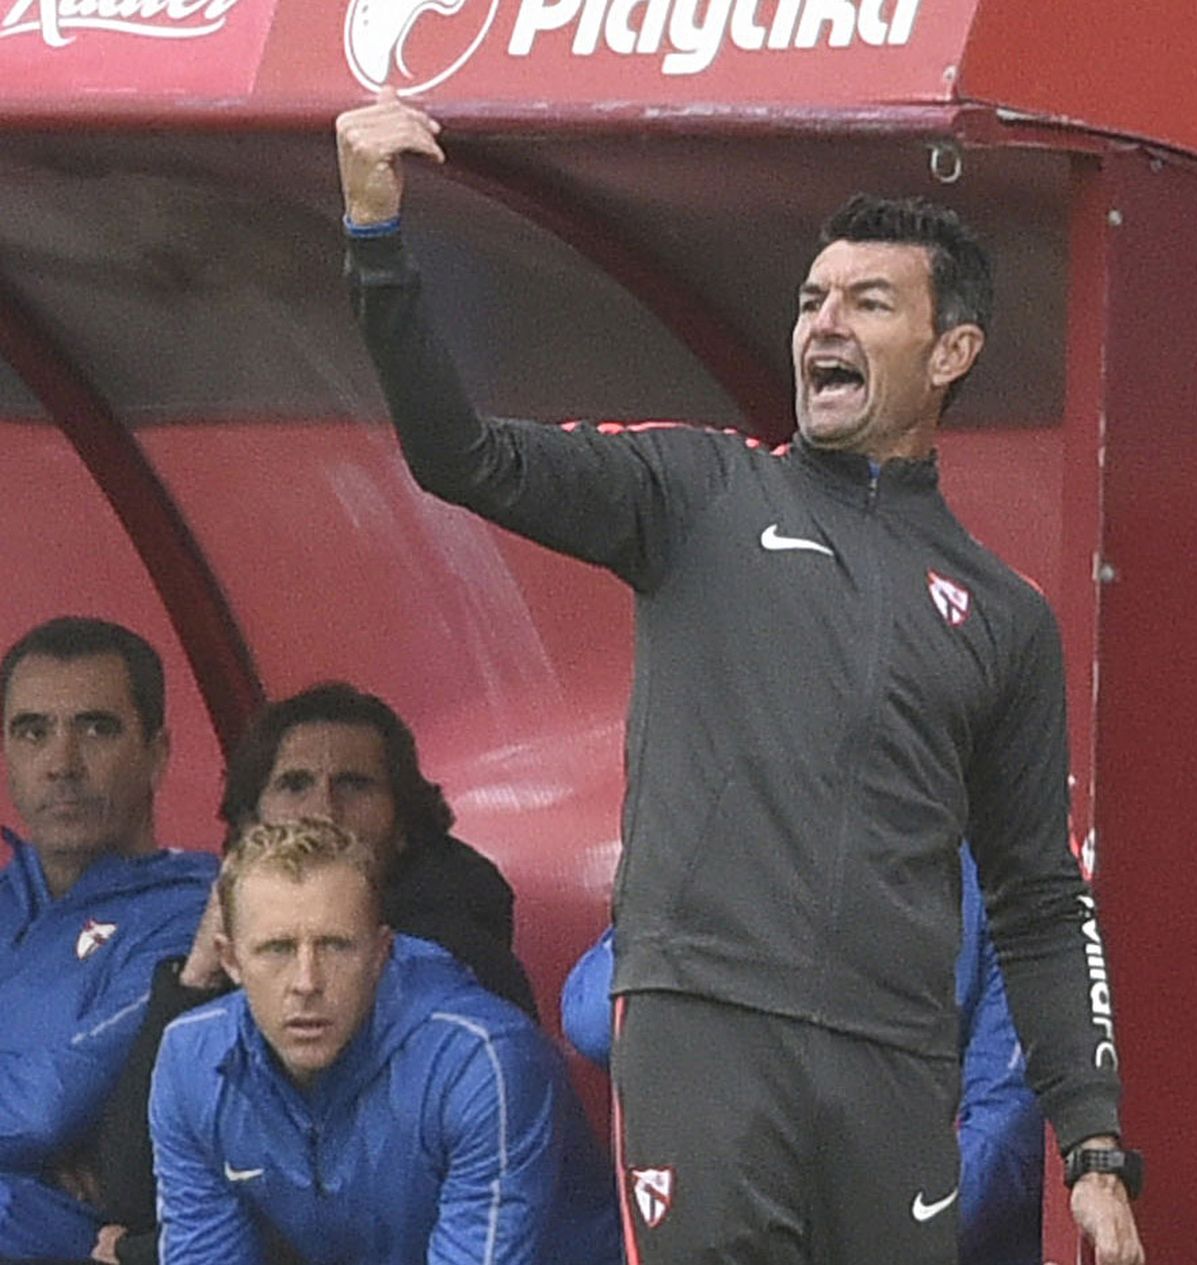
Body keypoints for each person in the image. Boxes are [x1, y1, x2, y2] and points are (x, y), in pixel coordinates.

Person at [338, 90, 1145, 1265]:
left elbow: (1036, 897)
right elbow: (457, 454)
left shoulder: (1005, 616)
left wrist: (1096, 1144)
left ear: (952, 351)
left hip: (891, 1058)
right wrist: (375, 240)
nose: (826, 322)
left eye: (869, 302)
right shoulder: (698, 492)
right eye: (813, 299)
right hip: (704, 1027)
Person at [91, 682, 537, 1265]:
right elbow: (138, 1196)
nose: (306, 980)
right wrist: (197, 972)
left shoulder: (473, 1031)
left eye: (354, 784)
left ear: (381, 952)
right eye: (295, 784)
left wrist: (138, 1254)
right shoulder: (194, 1044)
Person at [148, 818, 619, 1265]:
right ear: (229, 960)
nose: (307, 981)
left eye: (336, 946)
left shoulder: (482, 1059)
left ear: (381, 953)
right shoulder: (191, 1059)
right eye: (277, 949)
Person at [561, 846, 1048, 1265]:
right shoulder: (730, 847)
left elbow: (1004, 1137)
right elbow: (595, 1023)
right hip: (728, 1220)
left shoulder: (985, 871)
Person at [0, 616, 215, 1261]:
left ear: (158, 751)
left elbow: (43, 1108)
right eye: (33, 732)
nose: (61, 763)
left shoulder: (201, 912)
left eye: (95, 728)